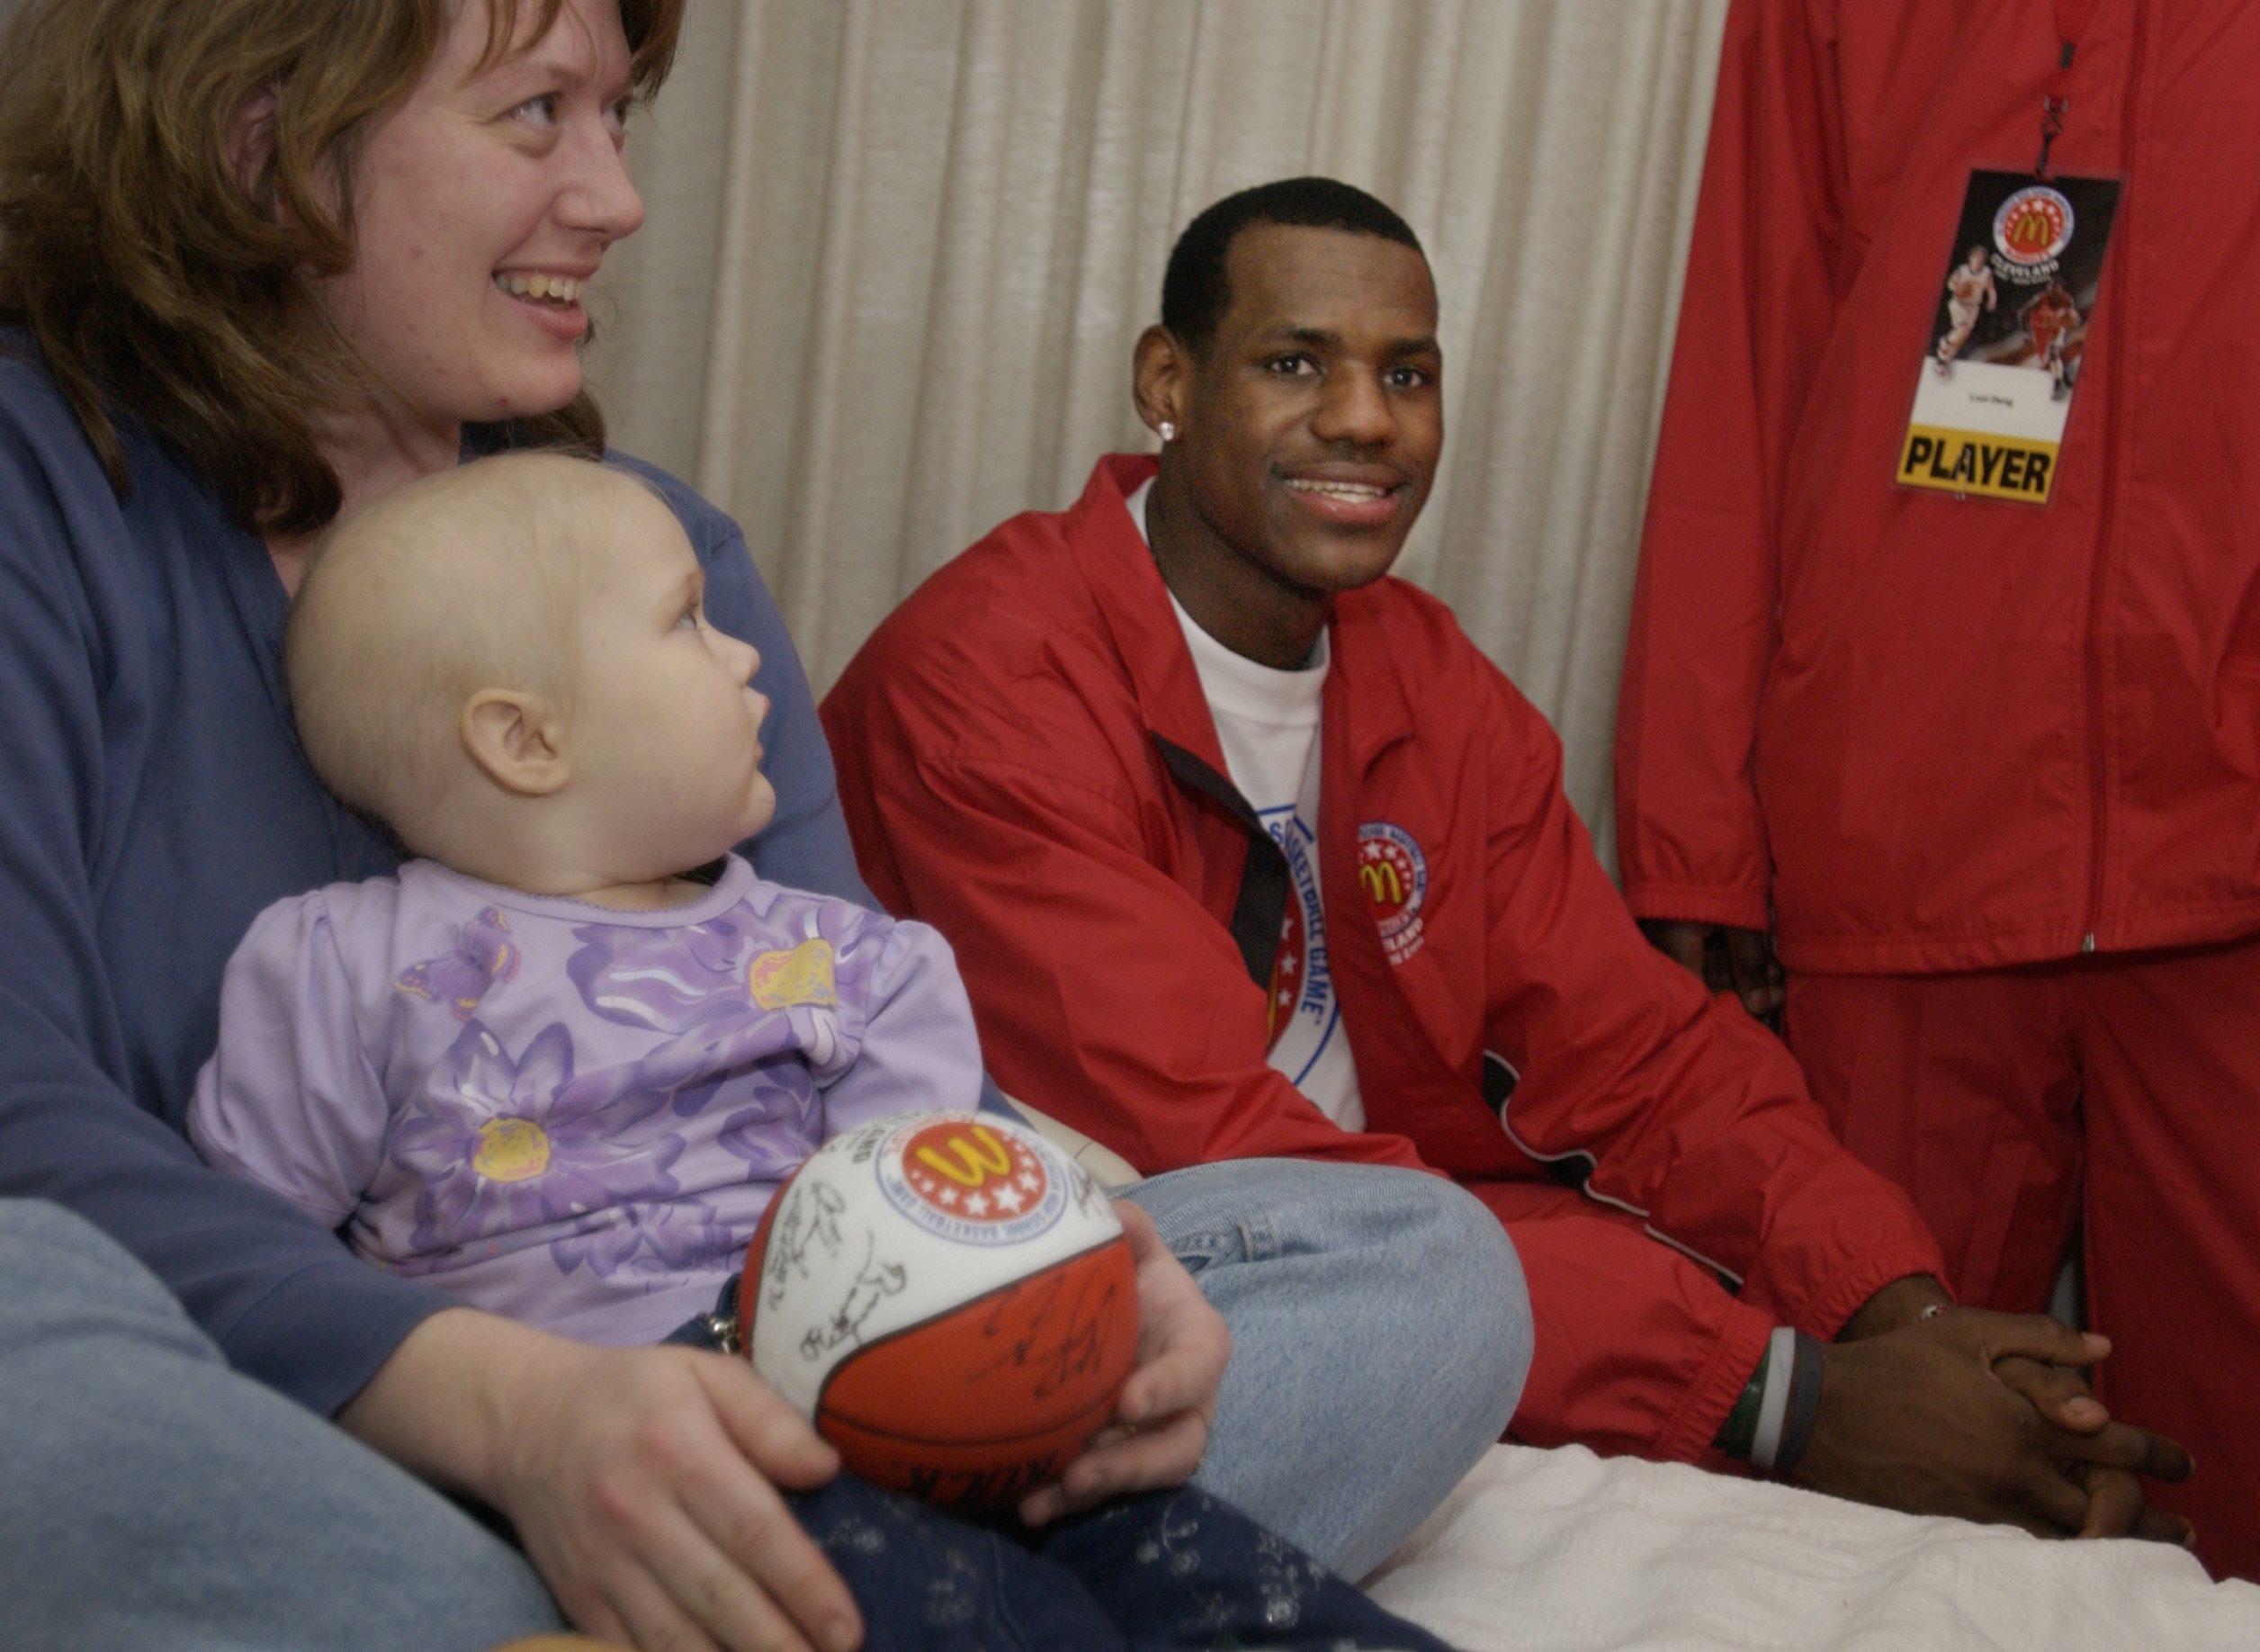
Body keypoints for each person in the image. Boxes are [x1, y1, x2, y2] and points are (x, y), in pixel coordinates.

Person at [0, 4, 1524, 1647]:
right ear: (260, 131)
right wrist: (519, 1417)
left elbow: (836, 1019)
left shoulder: (660, 549)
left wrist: (1053, 1258)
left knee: (1418, 1265)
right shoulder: (40, 493)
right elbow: (26, 1117)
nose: (615, 196)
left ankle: (727, 1591)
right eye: (535, 114)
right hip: (317, 1397)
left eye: (620, 119)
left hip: (770, 1389)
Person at [821, 175, 2194, 1541]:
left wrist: (1906, 1317)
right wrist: (1782, 1394)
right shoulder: (989, 682)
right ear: (1167, 383)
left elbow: (1643, 1059)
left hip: (1423, 1251)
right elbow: (1218, 1157)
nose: (1365, 418)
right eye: (1296, 362)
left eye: (1406, 373)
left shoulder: (1427, 677)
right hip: (1116, 1285)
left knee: (2026, 1492)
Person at [184, 448, 1456, 1650]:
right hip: (627, 1450)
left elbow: (939, 1199)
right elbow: (251, 1261)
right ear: (524, 740)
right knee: (943, 1603)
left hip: (897, 1374)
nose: (747, 653)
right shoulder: (342, 965)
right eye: (685, 621)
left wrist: (1073, 1286)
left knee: (1213, 1566)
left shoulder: (849, 958)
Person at [1614, 0, 2260, 1579]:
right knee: (1857, 1498)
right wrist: (1691, 845)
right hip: (1899, 840)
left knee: (2230, 1506)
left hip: (2229, 859)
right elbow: (1743, 363)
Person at [1933, 246, 1997, 374]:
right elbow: (1950, 283)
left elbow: (1991, 290)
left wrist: (1992, 300)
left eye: (1981, 258)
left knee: (1961, 338)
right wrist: (1959, 288)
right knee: (1963, 329)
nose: (1978, 260)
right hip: (1958, 304)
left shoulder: (1986, 273)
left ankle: (1941, 361)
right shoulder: (1962, 270)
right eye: (1976, 257)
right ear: (1970, 258)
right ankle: (1945, 341)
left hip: (1974, 307)